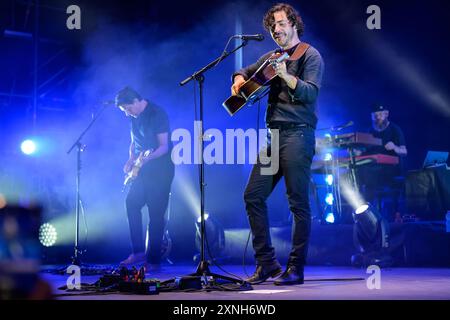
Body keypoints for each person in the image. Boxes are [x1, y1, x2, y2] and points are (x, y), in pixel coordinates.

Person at [231, 3, 324, 285]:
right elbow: (245, 71)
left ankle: (296, 268)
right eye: (272, 26)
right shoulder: (272, 56)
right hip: (273, 138)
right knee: (252, 195)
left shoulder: (310, 55)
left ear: (294, 23)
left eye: (281, 23)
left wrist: (285, 75)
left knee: (298, 204)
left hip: (298, 134)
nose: (276, 29)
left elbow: (310, 93)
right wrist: (237, 79)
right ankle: (267, 263)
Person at [115, 86, 174, 269]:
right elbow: (134, 142)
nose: (127, 113)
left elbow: (164, 146)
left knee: (156, 215)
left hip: (160, 170)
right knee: (131, 203)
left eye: (127, 109)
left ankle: (154, 260)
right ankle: (138, 252)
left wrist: (147, 159)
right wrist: (131, 160)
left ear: (135, 101)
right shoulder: (134, 117)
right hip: (142, 169)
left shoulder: (157, 113)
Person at [356, 104, 407, 220]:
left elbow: (404, 151)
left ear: (386, 114)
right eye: (375, 115)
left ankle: (395, 214)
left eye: (380, 115)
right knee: (361, 177)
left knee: (390, 186)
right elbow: (364, 152)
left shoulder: (395, 129)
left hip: (391, 171)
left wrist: (395, 147)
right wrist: (358, 152)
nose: (378, 117)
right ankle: (367, 216)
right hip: (372, 172)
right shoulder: (369, 131)